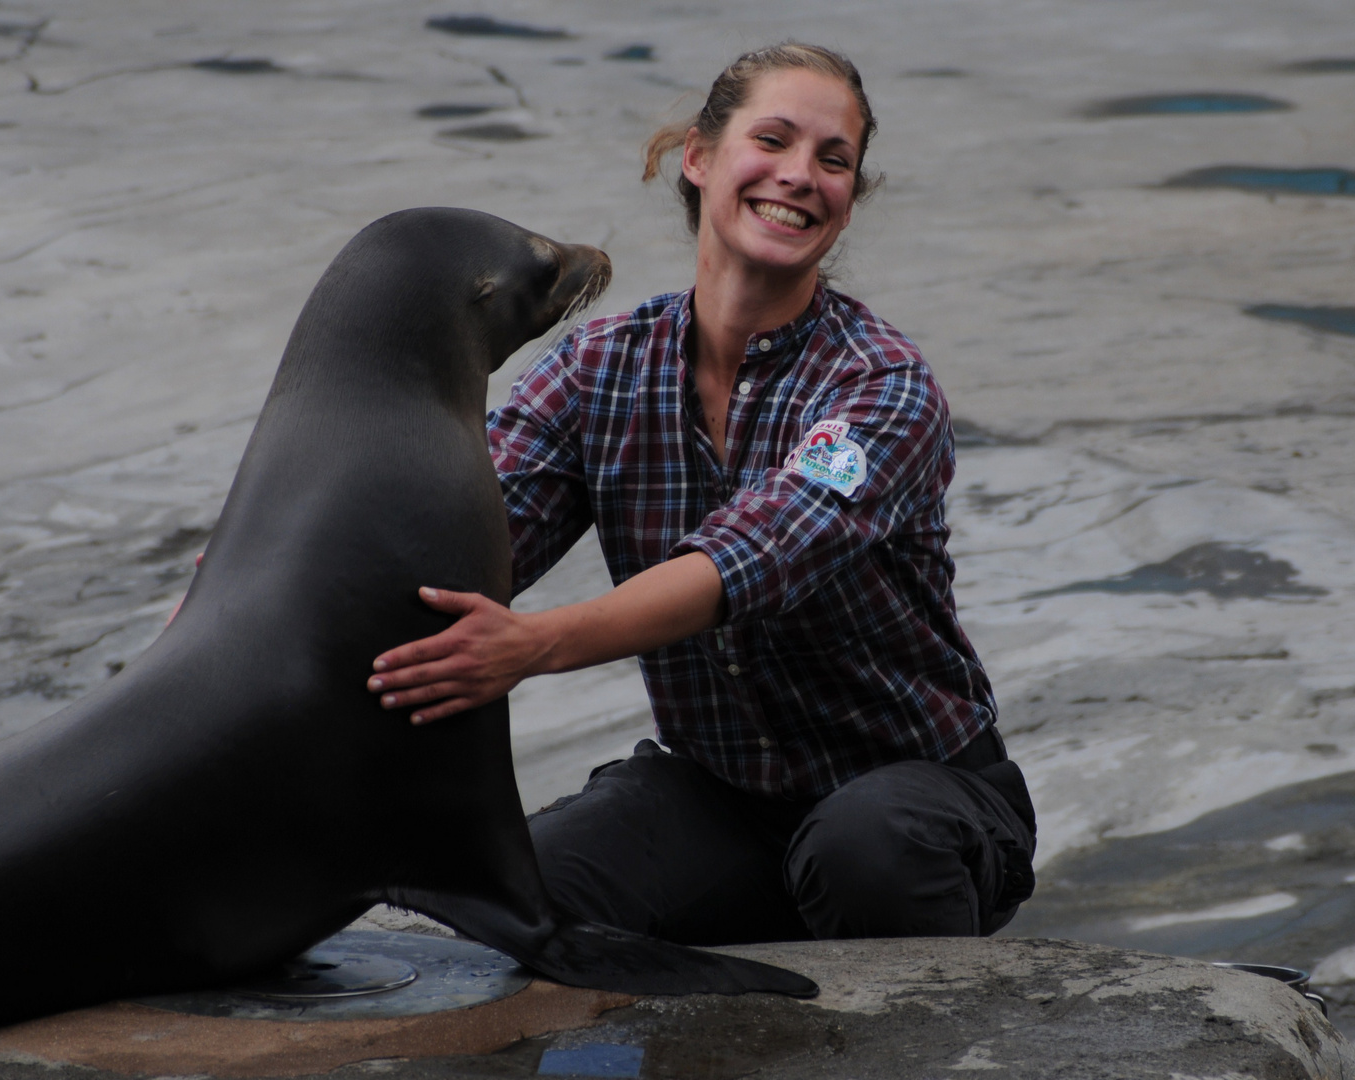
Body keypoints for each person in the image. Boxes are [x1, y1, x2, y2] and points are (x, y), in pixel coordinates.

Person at [366, 43, 1035, 945]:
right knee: (528, 898)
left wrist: (530, 647)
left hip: (921, 797)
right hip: (724, 801)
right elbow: (463, 540)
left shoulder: (882, 387)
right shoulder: (598, 367)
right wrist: (276, 584)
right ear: (699, 156)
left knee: (863, 850)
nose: (800, 176)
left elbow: (749, 560)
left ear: (849, 198)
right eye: (773, 140)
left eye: (833, 160)